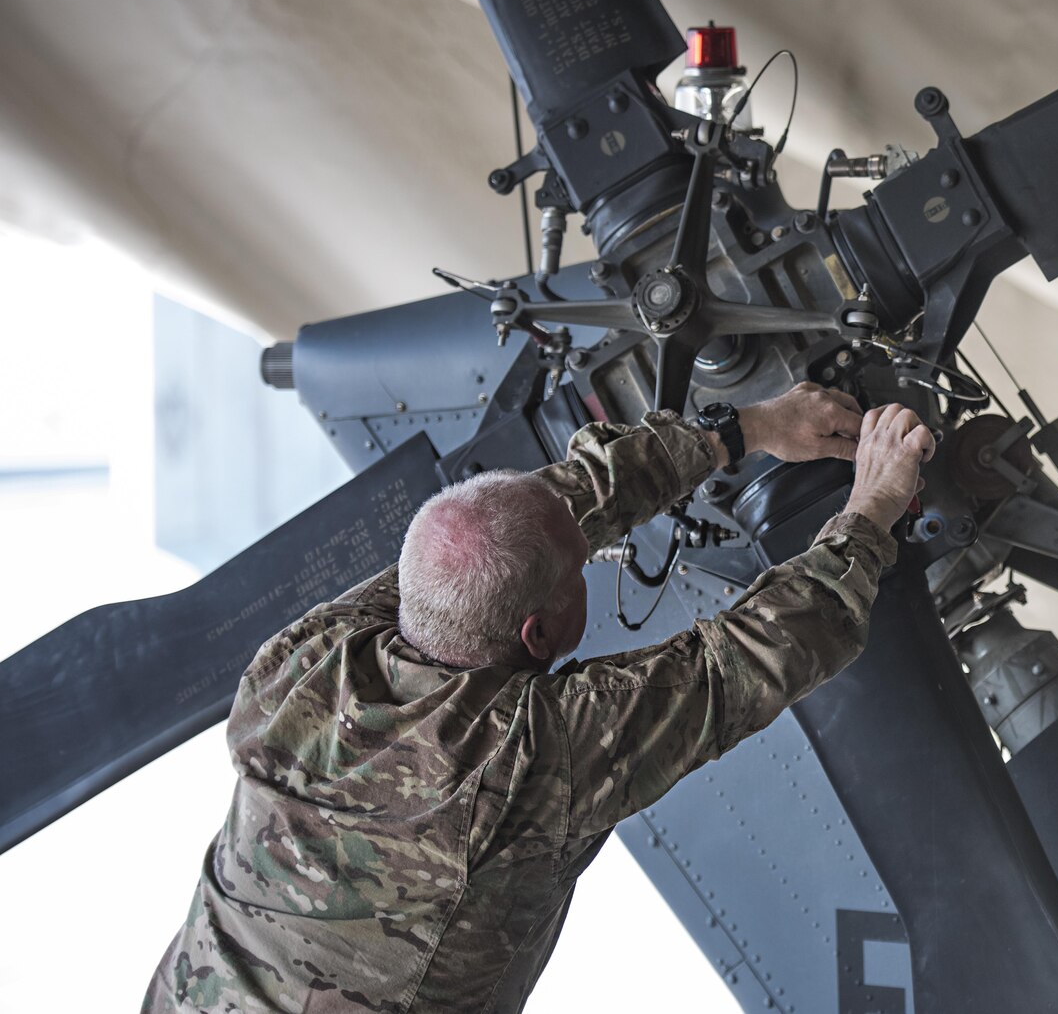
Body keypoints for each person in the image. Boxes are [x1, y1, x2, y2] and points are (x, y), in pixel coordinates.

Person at [143, 383, 935, 1013]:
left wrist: (746, 428)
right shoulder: (518, 764)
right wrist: (872, 507)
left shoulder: (303, 662)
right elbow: (749, 659)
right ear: (542, 632)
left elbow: (542, 511)